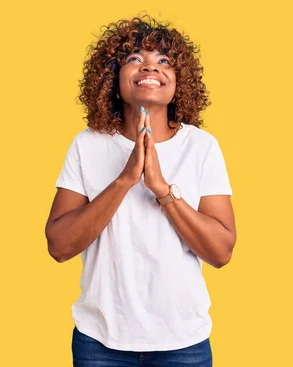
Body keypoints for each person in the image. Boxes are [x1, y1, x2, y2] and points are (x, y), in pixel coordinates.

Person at [45, 15, 236, 367]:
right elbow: (58, 246)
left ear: (180, 82)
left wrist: (162, 189)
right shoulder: (87, 145)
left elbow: (221, 252)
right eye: (135, 58)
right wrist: (124, 181)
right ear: (113, 80)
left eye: (164, 61)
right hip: (99, 343)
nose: (150, 66)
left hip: (184, 345)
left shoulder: (202, 147)